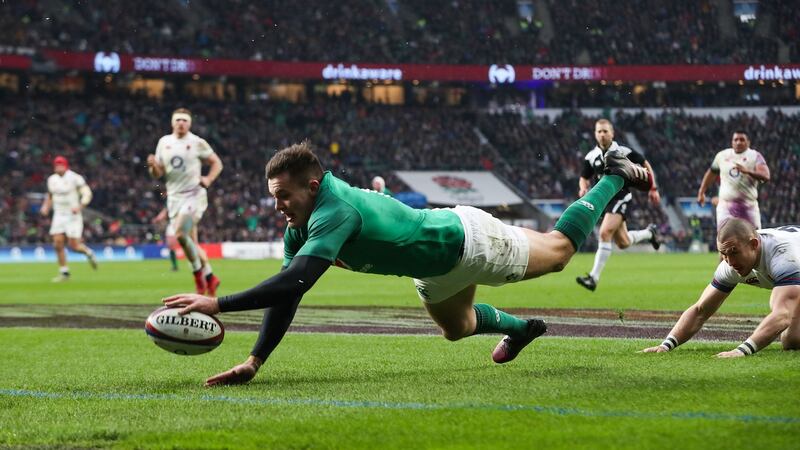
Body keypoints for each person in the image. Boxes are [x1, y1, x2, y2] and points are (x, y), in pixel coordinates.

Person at [163, 141, 651, 386]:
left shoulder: (336, 210)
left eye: (283, 196)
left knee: (560, 250)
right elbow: (290, 290)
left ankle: (614, 177)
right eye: (274, 198)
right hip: (433, 267)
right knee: (457, 328)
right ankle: (521, 330)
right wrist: (255, 360)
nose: (278, 207)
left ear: (311, 187)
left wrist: (217, 303)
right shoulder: (301, 225)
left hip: (466, 241)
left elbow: (296, 279)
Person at [641, 219, 800, 357]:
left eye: (734, 252)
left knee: (791, 336)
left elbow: (783, 314)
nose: (730, 262)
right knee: (792, 340)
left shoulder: (784, 257)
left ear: (754, 244)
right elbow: (700, 311)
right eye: (723, 254)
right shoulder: (730, 266)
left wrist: (741, 351)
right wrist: (666, 345)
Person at [576, 119, 662, 292]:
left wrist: (653, 188)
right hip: (604, 200)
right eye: (599, 131)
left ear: (612, 133)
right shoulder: (591, 156)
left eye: (605, 131)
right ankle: (649, 233)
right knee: (623, 242)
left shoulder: (622, 151)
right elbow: (584, 177)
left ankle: (593, 277)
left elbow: (645, 163)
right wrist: (583, 188)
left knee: (604, 232)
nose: (602, 134)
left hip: (620, 196)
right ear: (595, 134)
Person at [147, 108, 223, 295]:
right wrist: (153, 166)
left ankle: (198, 276)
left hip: (193, 195)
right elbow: (157, 174)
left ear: (189, 123)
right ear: (172, 122)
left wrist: (208, 179)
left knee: (180, 235)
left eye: (184, 120)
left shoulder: (197, 142)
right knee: (192, 244)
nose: (181, 123)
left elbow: (217, 163)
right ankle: (210, 277)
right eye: (178, 120)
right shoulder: (164, 142)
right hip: (174, 197)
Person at [39, 155, 98, 282]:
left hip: (73, 215)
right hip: (59, 214)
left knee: (74, 246)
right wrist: (46, 207)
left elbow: (87, 193)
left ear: (65, 166)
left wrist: (80, 206)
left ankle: (88, 253)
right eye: (56, 165)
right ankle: (64, 272)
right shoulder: (52, 179)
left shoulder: (75, 178)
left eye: (60, 164)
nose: (58, 167)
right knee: (57, 243)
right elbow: (50, 195)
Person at [697, 130, 770, 231]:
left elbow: (766, 176)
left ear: (748, 142)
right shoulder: (722, 156)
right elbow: (712, 173)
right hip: (725, 207)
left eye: (742, 140)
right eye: (736, 140)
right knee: (725, 238)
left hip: (748, 207)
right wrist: (701, 191)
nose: (738, 142)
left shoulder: (755, 156)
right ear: (732, 142)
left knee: (753, 238)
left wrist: (748, 171)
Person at [152, 207, 179, 272]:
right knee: (172, 247)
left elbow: (163, 213)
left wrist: (157, 219)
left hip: (174, 225)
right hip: (179, 224)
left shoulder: (171, 202)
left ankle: (175, 266)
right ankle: (175, 266)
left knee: (171, 246)